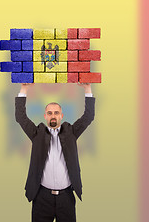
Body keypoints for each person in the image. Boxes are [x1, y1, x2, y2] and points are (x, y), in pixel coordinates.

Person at [15, 83, 95, 222]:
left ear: (61, 116)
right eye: (50, 113)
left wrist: (87, 89)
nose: (53, 116)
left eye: (56, 113)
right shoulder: (37, 133)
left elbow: (88, 117)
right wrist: (24, 89)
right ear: (45, 116)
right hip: (41, 197)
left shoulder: (71, 132)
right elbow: (21, 118)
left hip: (66, 198)